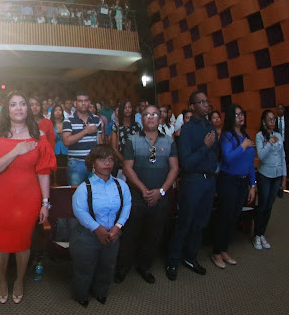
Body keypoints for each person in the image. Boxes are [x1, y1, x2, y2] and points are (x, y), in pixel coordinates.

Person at [0, 91, 56, 304]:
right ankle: (3, 280)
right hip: (2, 198)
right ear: (7, 109)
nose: (19, 108)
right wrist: (16, 151)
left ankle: (20, 280)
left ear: (28, 108)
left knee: (23, 242)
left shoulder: (39, 135)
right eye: (13, 104)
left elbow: (43, 171)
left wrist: (45, 203)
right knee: (2, 243)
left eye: (22, 103)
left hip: (29, 198)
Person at [115, 106, 179, 284]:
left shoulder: (169, 141)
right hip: (137, 196)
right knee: (130, 234)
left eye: (155, 114)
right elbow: (127, 168)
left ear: (160, 119)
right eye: (147, 114)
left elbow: (174, 169)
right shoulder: (132, 140)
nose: (151, 117)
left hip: (160, 197)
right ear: (141, 119)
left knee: (153, 235)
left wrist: (161, 191)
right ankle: (123, 267)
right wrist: (144, 190)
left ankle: (144, 267)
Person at [166, 91, 219, 281]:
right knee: (185, 222)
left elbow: (215, 155)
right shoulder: (187, 129)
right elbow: (186, 162)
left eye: (207, 101)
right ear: (192, 106)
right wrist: (205, 146)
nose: (206, 105)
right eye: (201, 102)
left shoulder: (210, 128)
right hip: (193, 181)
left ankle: (190, 257)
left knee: (200, 223)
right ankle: (172, 260)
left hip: (209, 181)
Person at [70, 144, 131, 307]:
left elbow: (127, 205)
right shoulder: (84, 188)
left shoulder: (120, 185)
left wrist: (118, 226)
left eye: (110, 159)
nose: (107, 163)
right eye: (102, 159)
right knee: (84, 267)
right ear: (93, 162)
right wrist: (96, 228)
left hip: (112, 234)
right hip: (87, 235)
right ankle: (81, 294)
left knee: (107, 266)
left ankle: (100, 292)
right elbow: (79, 211)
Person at [210, 104, 256, 269]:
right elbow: (228, 157)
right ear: (231, 117)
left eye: (241, 113)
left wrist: (253, 184)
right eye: (237, 115)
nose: (240, 117)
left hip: (243, 182)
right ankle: (216, 252)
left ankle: (224, 249)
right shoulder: (227, 136)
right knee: (225, 217)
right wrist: (243, 146)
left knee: (234, 218)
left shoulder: (246, 135)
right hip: (228, 180)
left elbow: (250, 163)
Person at [254, 110, 287, 250]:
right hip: (265, 175)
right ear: (263, 121)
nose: (272, 122)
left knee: (269, 206)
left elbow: (283, 157)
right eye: (269, 119)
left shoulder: (278, 135)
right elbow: (261, 155)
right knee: (262, 205)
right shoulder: (260, 135)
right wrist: (270, 142)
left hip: (277, 175)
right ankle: (256, 235)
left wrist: (284, 178)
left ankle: (262, 233)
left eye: (273, 119)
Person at [63, 91, 103, 185]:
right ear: (75, 103)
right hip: (76, 163)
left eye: (86, 101)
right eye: (80, 101)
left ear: (89, 102)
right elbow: (66, 141)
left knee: (94, 191)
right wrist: (86, 131)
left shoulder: (96, 119)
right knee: (76, 192)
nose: (83, 103)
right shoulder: (68, 120)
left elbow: (100, 142)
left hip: (94, 163)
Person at [110, 99, 141, 178]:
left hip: (136, 162)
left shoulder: (137, 126)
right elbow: (114, 148)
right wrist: (124, 161)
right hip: (121, 162)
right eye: (125, 107)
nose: (127, 110)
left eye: (129, 107)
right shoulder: (116, 126)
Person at [275, 104, 289, 168]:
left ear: (284, 110)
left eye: (281, 109)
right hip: (277, 145)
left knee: (287, 163)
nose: (280, 110)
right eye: (278, 109)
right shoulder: (274, 121)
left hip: (286, 144)